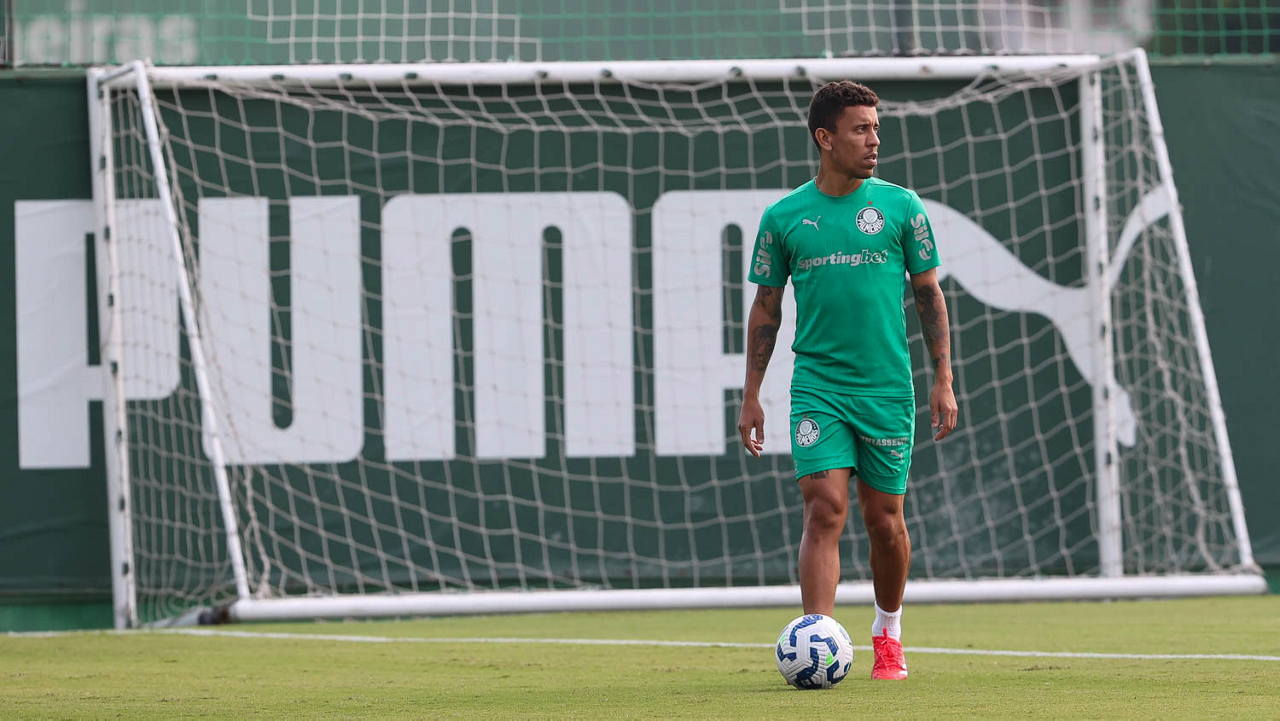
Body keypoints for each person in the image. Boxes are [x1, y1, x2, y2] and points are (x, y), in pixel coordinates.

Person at [737, 80, 958, 681]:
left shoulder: (902, 207)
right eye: (861, 129)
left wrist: (943, 377)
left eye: (876, 128)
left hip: (886, 388)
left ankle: (888, 631)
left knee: (884, 521)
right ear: (825, 138)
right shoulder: (784, 217)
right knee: (824, 509)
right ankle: (817, 641)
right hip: (819, 386)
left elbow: (929, 295)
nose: (874, 140)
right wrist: (751, 393)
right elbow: (766, 308)